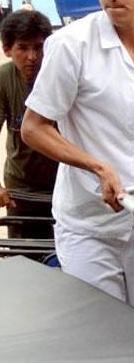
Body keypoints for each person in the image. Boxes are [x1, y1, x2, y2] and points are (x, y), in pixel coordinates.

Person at [21, 0, 134, 329]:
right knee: (100, 339)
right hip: (89, 224)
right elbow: (34, 127)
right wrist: (97, 166)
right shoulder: (71, 44)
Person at [0, 10, 57, 239]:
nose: (32, 56)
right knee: (24, 254)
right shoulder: (4, 79)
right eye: (23, 48)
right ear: (7, 50)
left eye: (38, 47)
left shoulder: (60, 75)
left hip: (63, 185)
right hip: (21, 188)